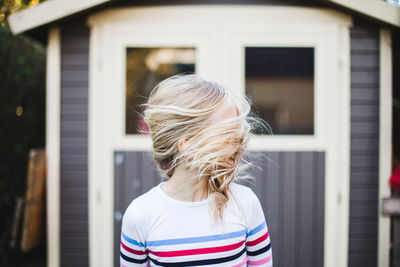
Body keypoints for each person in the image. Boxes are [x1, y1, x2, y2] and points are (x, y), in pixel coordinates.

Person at [120, 73, 273, 267]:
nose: (240, 140)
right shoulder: (140, 215)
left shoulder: (245, 203)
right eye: (227, 132)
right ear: (189, 147)